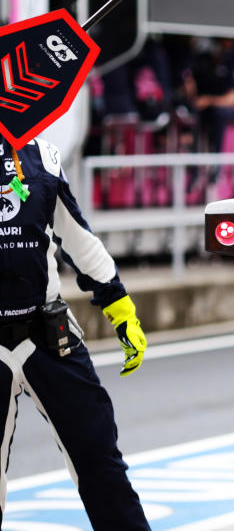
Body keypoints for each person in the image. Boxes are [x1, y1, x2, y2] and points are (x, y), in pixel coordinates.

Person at [0, 136, 149, 529]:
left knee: (101, 461)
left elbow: (79, 239)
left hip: (47, 334)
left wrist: (120, 307)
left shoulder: (43, 156)